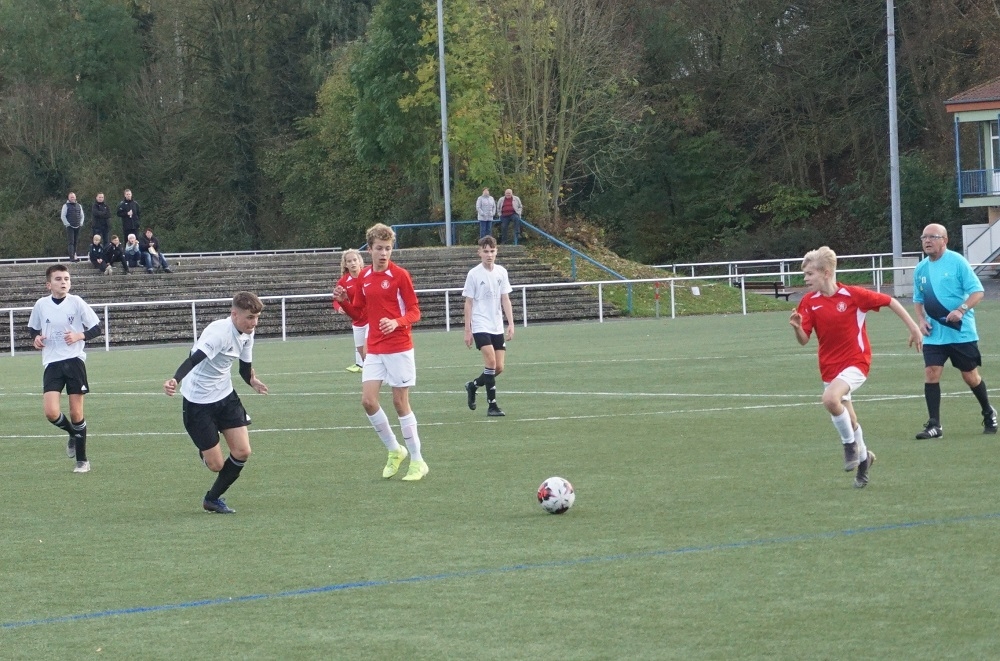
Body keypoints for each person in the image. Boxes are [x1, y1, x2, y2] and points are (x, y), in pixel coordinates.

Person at [789, 246, 922, 488]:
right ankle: (864, 461)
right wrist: (798, 328)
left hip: (856, 362)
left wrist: (914, 328)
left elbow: (890, 301)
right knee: (849, 419)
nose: (805, 279)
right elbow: (804, 340)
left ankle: (849, 446)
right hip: (829, 368)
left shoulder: (852, 295)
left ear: (826, 273)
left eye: (809, 274)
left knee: (830, 399)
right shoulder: (808, 302)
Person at [333, 223, 428, 481]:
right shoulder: (363, 277)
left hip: (398, 346)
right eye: (379, 248)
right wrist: (344, 301)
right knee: (368, 400)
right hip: (374, 346)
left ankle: (417, 461)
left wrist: (397, 322)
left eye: (387, 248)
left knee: (400, 402)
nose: (384, 253)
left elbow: (415, 311)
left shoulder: (400, 276)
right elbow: (359, 314)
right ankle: (395, 450)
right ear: (370, 249)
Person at [163, 292, 269, 514]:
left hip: (225, 396)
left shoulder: (247, 333)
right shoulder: (218, 333)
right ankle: (205, 451)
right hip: (198, 402)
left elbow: (244, 367)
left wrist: (252, 381)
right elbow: (193, 359)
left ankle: (212, 499)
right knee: (216, 465)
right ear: (234, 314)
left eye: (257, 317)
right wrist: (175, 379)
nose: (254, 323)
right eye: (250, 317)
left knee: (242, 451)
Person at [912, 223, 997, 439]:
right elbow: (918, 299)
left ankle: (988, 412)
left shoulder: (957, 262)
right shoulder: (921, 269)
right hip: (934, 334)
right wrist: (920, 320)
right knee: (931, 372)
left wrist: (961, 309)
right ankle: (934, 425)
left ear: (945, 240)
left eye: (933, 237)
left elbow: (977, 291)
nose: (927, 241)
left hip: (960, 333)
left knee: (970, 376)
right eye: (924, 237)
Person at [27, 264, 104, 473]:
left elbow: (97, 328)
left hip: (74, 361)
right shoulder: (41, 304)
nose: (63, 282)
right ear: (48, 284)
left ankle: (82, 460)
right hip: (52, 362)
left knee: (76, 412)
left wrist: (80, 335)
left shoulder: (76, 302)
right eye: (59, 279)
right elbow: (32, 328)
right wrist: (36, 338)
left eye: (67, 279)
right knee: (51, 412)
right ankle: (72, 433)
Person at [463, 236, 516, 416]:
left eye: (492, 251)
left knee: (498, 367)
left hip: (496, 324)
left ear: (496, 251)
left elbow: (505, 299)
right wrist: (468, 330)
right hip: (480, 324)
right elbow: (468, 303)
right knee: (491, 362)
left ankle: (473, 385)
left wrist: (511, 323)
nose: (489, 255)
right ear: (479, 252)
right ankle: (492, 406)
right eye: (485, 251)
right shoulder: (474, 274)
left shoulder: (501, 272)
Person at [332, 249, 368, 373]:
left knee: (368, 351)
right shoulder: (343, 281)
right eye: (349, 261)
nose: (352, 263)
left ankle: (378, 375)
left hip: (371, 319)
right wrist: (339, 307)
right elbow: (336, 299)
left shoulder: (368, 275)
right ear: (345, 264)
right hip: (357, 320)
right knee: (363, 355)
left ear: (360, 261)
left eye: (355, 260)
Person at [60, 192, 86, 262]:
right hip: (70, 226)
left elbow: (82, 215)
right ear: (68, 198)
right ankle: (71, 257)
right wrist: (67, 224)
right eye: (71, 197)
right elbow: (63, 216)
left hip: (78, 226)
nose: (72, 198)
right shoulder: (65, 206)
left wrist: (81, 223)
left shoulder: (79, 205)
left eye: (73, 197)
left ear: (75, 197)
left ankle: (75, 255)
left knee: (76, 242)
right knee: (71, 242)